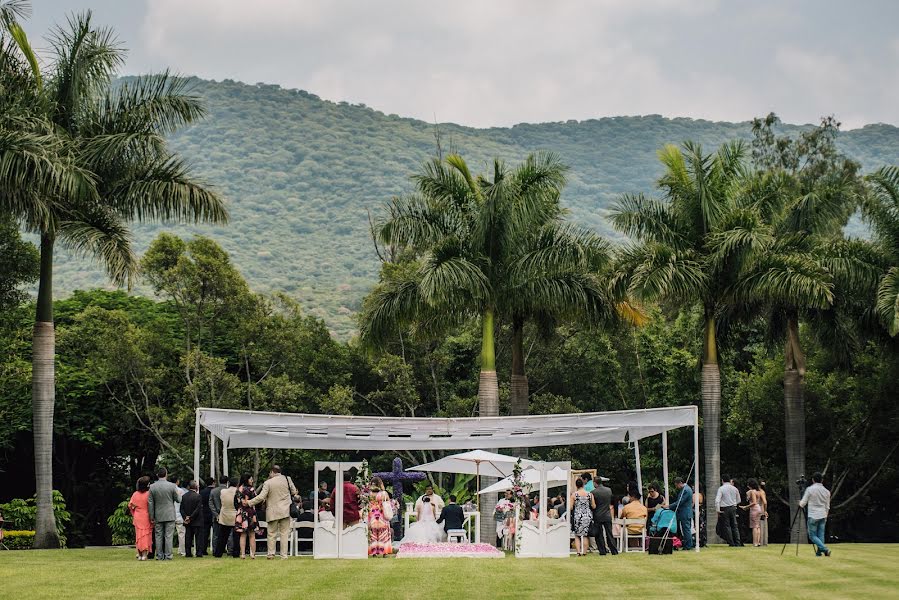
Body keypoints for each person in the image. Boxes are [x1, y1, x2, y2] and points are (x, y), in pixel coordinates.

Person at [249, 465, 298, 560]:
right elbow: (293, 491)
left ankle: (271, 554)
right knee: (284, 533)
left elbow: (261, 497)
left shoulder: (268, 483)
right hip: (285, 510)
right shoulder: (287, 479)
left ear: (272, 472)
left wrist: (250, 502)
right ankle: (284, 555)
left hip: (272, 511)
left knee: (271, 533)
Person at [148, 467, 180, 561]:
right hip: (170, 514)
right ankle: (168, 555)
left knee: (158, 536)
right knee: (168, 536)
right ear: (166, 474)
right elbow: (178, 499)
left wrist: (151, 516)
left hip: (158, 514)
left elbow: (150, 503)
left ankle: (159, 555)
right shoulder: (172, 486)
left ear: (157, 475)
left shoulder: (152, 487)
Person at [799, 472, 831, 557]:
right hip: (823, 514)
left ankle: (825, 549)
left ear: (813, 480)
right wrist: (826, 516)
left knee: (812, 536)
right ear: (822, 480)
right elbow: (827, 506)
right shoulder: (827, 492)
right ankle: (818, 553)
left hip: (813, 515)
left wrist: (800, 503)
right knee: (821, 535)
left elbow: (803, 503)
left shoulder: (810, 489)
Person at [234, 473, 261, 559]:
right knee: (252, 534)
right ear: (247, 480)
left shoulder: (239, 489)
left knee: (243, 534)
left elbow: (236, 502)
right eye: (251, 479)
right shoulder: (251, 489)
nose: (252, 481)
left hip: (241, 512)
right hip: (251, 512)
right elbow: (256, 500)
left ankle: (242, 554)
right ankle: (252, 554)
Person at [590, 474, 617, 555]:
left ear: (595, 483)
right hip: (607, 515)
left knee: (599, 534)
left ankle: (602, 550)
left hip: (597, 515)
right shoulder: (609, 490)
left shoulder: (593, 492)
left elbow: (593, 505)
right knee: (609, 533)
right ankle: (614, 550)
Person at [367, 477, 394, 557]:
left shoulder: (369, 494)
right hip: (382, 516)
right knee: (384, 534)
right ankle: (384, 552)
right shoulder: (384, 493)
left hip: (372, 515)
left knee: (373, 534)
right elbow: (388, 503)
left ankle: (374, 552)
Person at [213, 477, 239, 558]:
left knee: (222, 536)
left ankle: (218, 553)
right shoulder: (237, 492)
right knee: (236, 536)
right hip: (235, 515)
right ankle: (235, 552)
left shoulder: (223, 491)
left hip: (224, 515)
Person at [128, 476, 153, 560]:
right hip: (146, 516)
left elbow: (130, 506)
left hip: (138, 516)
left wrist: (134, 513)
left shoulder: (135, 494)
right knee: (145, 535)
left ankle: (139, 554)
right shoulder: (149, 494)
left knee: (138, 536)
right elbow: (151, 506)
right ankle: (145, 555)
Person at [570, 477, 595, 556]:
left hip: (578, 516)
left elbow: (570, 507)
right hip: (587, 515)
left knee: (577, 535)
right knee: (585, 535)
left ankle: (578, 552)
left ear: (576, 485)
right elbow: (594, 506)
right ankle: (584, 552)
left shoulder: (574, 495)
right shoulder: (590, 494)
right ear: (583, 484)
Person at [715, 474, 742, 546]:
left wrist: (718, 510)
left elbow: (717, 500)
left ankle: (731, 542)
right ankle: (737, 541)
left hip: (725, 508)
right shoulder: (734, 488)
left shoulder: (721, 488)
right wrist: (734, 503)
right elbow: (739, 500)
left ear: (722, 480)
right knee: (734, 525)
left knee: (727, 526)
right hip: (733, 507)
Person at [179, 480, 204, 557]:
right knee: (198, 538)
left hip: (187, 521)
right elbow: (198, 509)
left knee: (188, 537)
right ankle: (199, 552)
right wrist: (191, 517)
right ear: (196, 487)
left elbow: (181, 508)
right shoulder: (198, 496)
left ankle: (188, 552)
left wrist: (186, 517)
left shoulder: (184, 496)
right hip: (197, 520)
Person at [668, 477, 694, 550]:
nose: (676, 487)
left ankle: (688, 545)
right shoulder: (686, 489)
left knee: (686, 529)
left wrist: (669, 506)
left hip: (685, 512)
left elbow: (680, 502)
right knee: (685, 529)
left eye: (676, 485)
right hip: (685, 512)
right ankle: (688, 544)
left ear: (680, 483)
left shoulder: (685, 490)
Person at [740, 478, 764, 547]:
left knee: (754, 526)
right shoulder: (759, 491)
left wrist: (746, 507)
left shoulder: (752, 492)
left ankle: (755, 542)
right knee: (758, 526)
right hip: (759, 508)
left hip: (754, 509)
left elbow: (754, 502)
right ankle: (758, 542)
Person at [208, 475, 227, 552]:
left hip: (216, 515)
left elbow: (210, 503)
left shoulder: (213, 491)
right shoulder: (228, 491)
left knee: (216, 534)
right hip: (227, 515)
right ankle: (229, 549)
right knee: (228, 533)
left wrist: (215, 514)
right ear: (227, 482)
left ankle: (215, 549)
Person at [199, 478, 215, 556]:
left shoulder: (202, 492)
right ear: (213, 483)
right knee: (216, 533)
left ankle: (203, 549)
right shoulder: (215, 491)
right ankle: (216, 548)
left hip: (205, 514)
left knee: (205, 533)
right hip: (214, 514)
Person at [173, 476, 187, 556]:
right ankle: (182, 550)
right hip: (179, 514)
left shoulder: (168, 489)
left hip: (170, 514)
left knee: (168, 534)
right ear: (177, 482)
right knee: (181, 534)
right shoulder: (181, 491)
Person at [758, 481, 769, 546]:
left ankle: (761, 542)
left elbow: (765, 502)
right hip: (761, 509)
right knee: (762, 525)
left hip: (760, 509)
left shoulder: (761, 492)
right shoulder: (762, 492)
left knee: (760, 526)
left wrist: (764, 510)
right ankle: (763, 541)